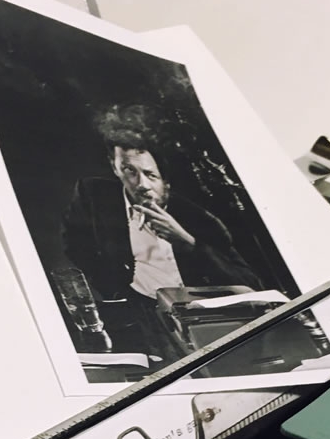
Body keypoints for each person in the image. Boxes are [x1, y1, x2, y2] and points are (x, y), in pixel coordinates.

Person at [61, 104, 262, 316]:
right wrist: (112, 290)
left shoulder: (202, 220)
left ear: (166, 181)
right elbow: (73, 242)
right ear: (114, 166)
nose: (142, 185)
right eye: (129, 170)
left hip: (196, 314)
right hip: (140, 312)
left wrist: (187, 242)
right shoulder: (93, 195)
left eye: (150, 175)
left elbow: (250, 285)